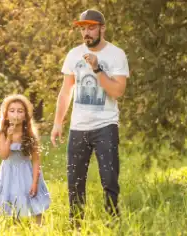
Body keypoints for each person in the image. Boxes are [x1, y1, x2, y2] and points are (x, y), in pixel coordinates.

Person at [51, 9, 130, 225]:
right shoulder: (73, 54)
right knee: (74, 181)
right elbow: (66, 91)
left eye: (91, 27)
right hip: (78, 127)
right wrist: (58, 122)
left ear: (102, 28)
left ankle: (113, 223)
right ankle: (75, 224)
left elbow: (117, 91)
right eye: (83, 29)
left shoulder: (116, 55)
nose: (86, 33)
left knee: (109, 179)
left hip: (106, 125)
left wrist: (97, 68)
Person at [0, 94, 50, 225]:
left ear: (25, 116)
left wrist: (35, 182)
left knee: (34, 202)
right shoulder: (2, 134)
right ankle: (15, 228)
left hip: (27, 172)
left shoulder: (29, 135)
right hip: (9, 173)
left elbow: (36, 160)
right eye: (12, 111)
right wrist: (9, 137)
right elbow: (4, 155)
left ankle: (41, 230)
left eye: (20, 111)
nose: (16, 114)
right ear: (6, 115)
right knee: (12, 203)